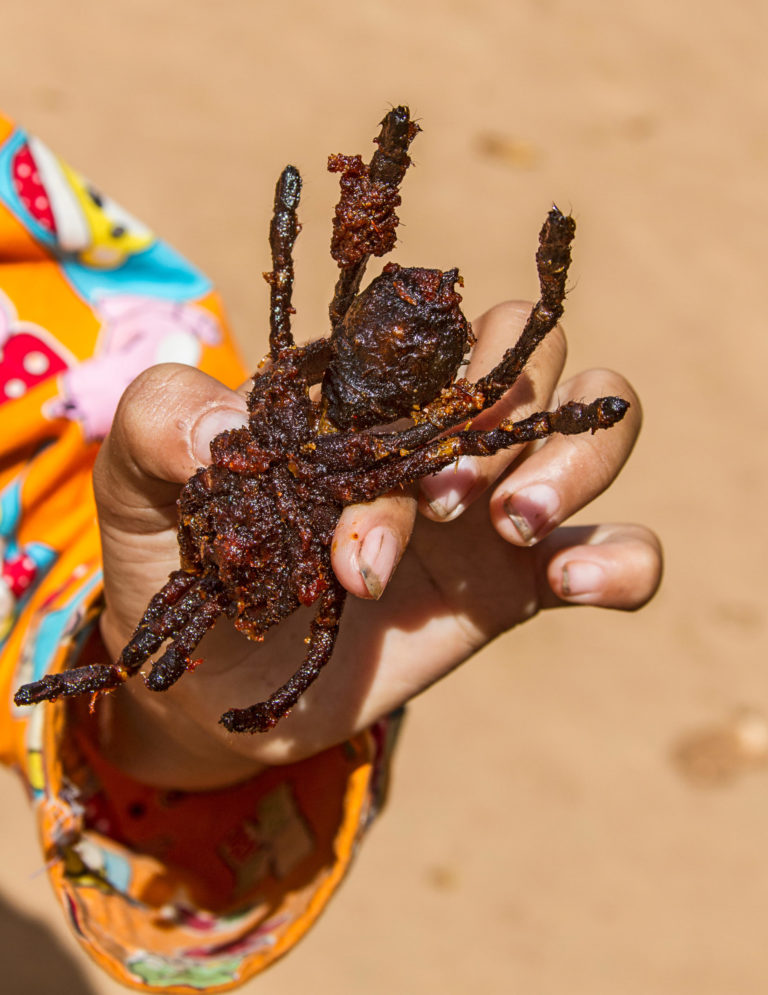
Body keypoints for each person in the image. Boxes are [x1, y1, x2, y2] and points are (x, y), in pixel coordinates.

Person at [0, 112, 662, 991]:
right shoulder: (295, 481)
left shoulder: (219, 406)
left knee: (471, 406)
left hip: (351, 410)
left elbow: (321, 353)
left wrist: (190, 726)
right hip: (355, 422)